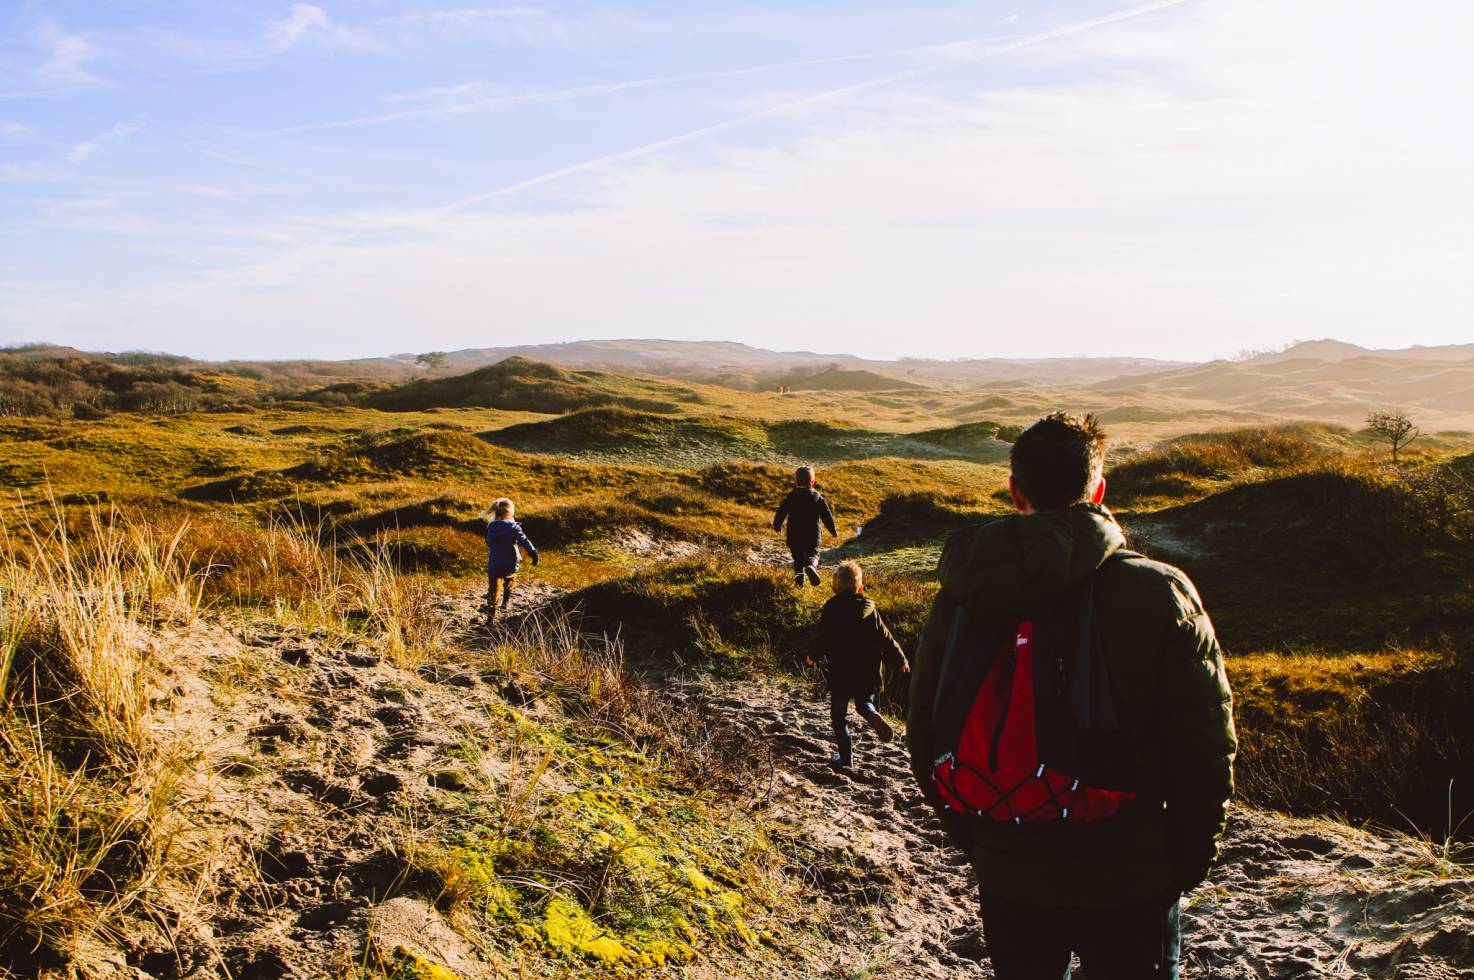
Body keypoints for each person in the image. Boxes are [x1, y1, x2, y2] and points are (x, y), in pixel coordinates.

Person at [906, 412, 1236, 979]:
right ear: (1099, 490)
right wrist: (1185, 860)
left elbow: (926, 732)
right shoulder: (1160, 592)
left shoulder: (963, 593)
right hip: (1132, 874)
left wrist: (982, 843)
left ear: (1016, 491)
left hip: (1009, 865)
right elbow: (1204, 745)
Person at [810, 560, 910, 772]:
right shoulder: (869, 608)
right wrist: (900, 660)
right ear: (861, 587)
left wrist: (813, 656)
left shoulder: (831, 609)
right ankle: (871, 712)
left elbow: (823, 639)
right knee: (863, 703)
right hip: (867, 670)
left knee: (839, 717)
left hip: (841, 673)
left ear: (834, 589)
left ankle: (846, 759)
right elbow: (886, 637)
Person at [772, 465, 837, 587]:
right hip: (812, 535)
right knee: (814, 553)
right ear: (812, 482)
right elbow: (826, 514)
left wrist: (777, 525)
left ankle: (799, 581)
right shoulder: (817, 497)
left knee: (798, 558)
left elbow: (781, 511)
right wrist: (832, 530)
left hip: (794, 535)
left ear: (795, 482)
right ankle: (812, 565)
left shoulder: (791, 497)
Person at [481, 497, 538, 625]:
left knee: (493, 589)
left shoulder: (491, 526)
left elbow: (488, 542)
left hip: (495, 562)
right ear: (510, 512)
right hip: (510, 562)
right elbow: (524, 540)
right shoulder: (513, 526)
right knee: (510, 579)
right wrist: (533, 553)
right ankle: (505, 603)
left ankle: (490, 618)